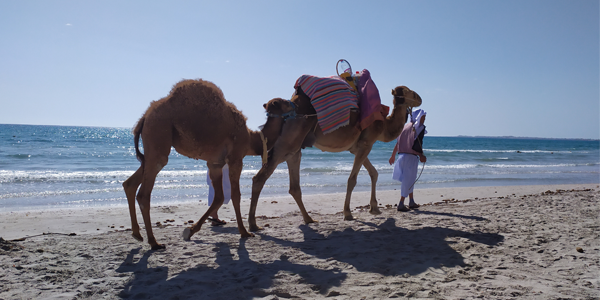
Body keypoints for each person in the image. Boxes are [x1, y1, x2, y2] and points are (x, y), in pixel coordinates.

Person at [389, 109, 427, 212]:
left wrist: (393, 156)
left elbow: (398, 143)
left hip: (402, 156)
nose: (424, 119)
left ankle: (411, 201)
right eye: (423, 116)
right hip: (410, 157)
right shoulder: (416, 127)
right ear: (418, 116)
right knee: (408, 180)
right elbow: (415, 146)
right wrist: (421, 155)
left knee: (409, 179)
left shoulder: (404, 127)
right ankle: (401, 203)